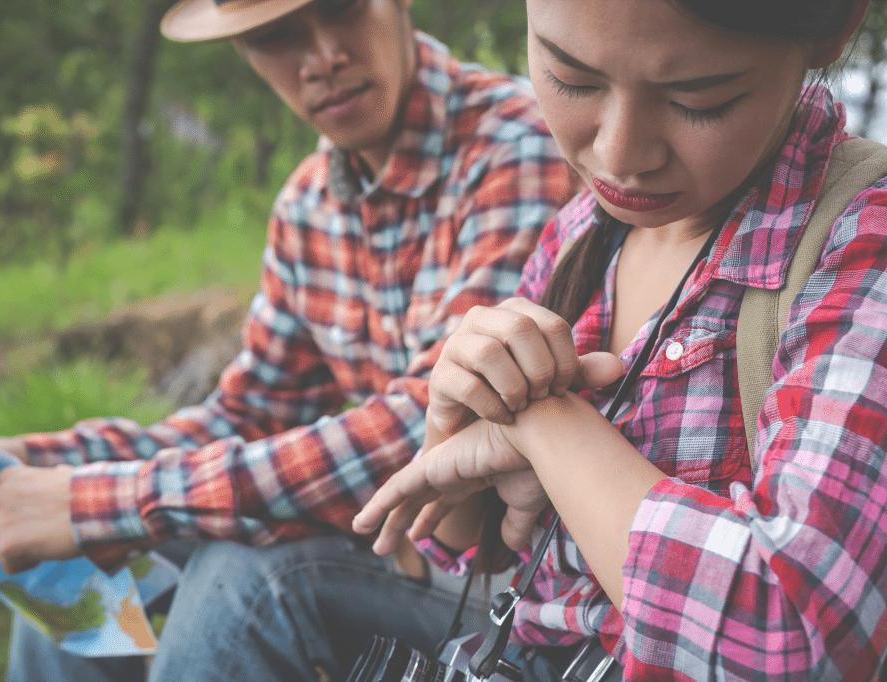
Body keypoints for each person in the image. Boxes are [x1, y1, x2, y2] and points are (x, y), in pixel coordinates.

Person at [0, 0, 579, 680]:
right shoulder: (307, 206)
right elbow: (246, 414)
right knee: (70, 565)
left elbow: (431, 421)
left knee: (247, 574)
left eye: (341, 11)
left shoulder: (515, 146)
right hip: (391, 542)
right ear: (246, 53)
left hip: (511, 583)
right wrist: (45, 463)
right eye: (277, 37)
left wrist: (109, 503)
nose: (322, 58)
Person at [354, 0, 887, 680]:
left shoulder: (858, 246)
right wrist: (458, 420)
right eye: (572, 78)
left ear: (832, 31)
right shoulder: (584, 232)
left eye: (700, 100)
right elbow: (478, 549)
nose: (619, 154)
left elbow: (796, 640)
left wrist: (546, 421)